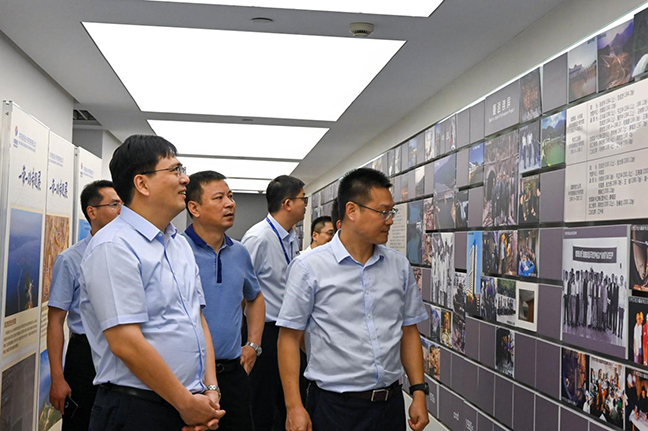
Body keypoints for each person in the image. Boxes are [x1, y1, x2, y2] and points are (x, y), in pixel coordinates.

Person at [79, 135, 225, 431]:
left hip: (188, 402)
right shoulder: (114, 246)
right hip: (136, 410)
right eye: (175, 170)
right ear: (142, 184)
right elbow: (126, 342)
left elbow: (197, 319)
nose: (185, 179)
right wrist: (185, 404)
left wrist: (210, 391)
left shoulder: (179, 244)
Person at [277, 167, 430, 431]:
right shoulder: (309, 267)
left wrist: (418, 391)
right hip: (335, 408)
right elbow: (289, 338)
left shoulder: (398, 266)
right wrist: (294, 407)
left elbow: (408, 330)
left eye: (391, 212)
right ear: (352, 210)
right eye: (383, 212)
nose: (390, 220)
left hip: (389, 406)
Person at [183, 170, 266, 431]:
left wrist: (253, 344)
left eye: (230, 197)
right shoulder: (177, 250)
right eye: (219, 198)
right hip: (189, 376)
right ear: (194, 208)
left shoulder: (239, 252)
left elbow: (255, 297)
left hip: (233, 372)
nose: (230, 204)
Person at [47, 180, 122, 430]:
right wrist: (57, 378)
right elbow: (56, 320)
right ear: (92, 212)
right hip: (85, 354)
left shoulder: (129, 254)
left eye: (122, 204)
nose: (121, 210)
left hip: (123, 349)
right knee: (81, 422)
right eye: (114, 204)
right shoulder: (70, 259)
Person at [241, 175, 307, 431]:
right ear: (287, 203)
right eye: (303, 199)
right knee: (263, 404)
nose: (305, 204)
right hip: (265, 332)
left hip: (289, 329)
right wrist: (250, 339)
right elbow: (241, 290)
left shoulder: (291, 236)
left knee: (287, 400)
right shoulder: (258, 238)